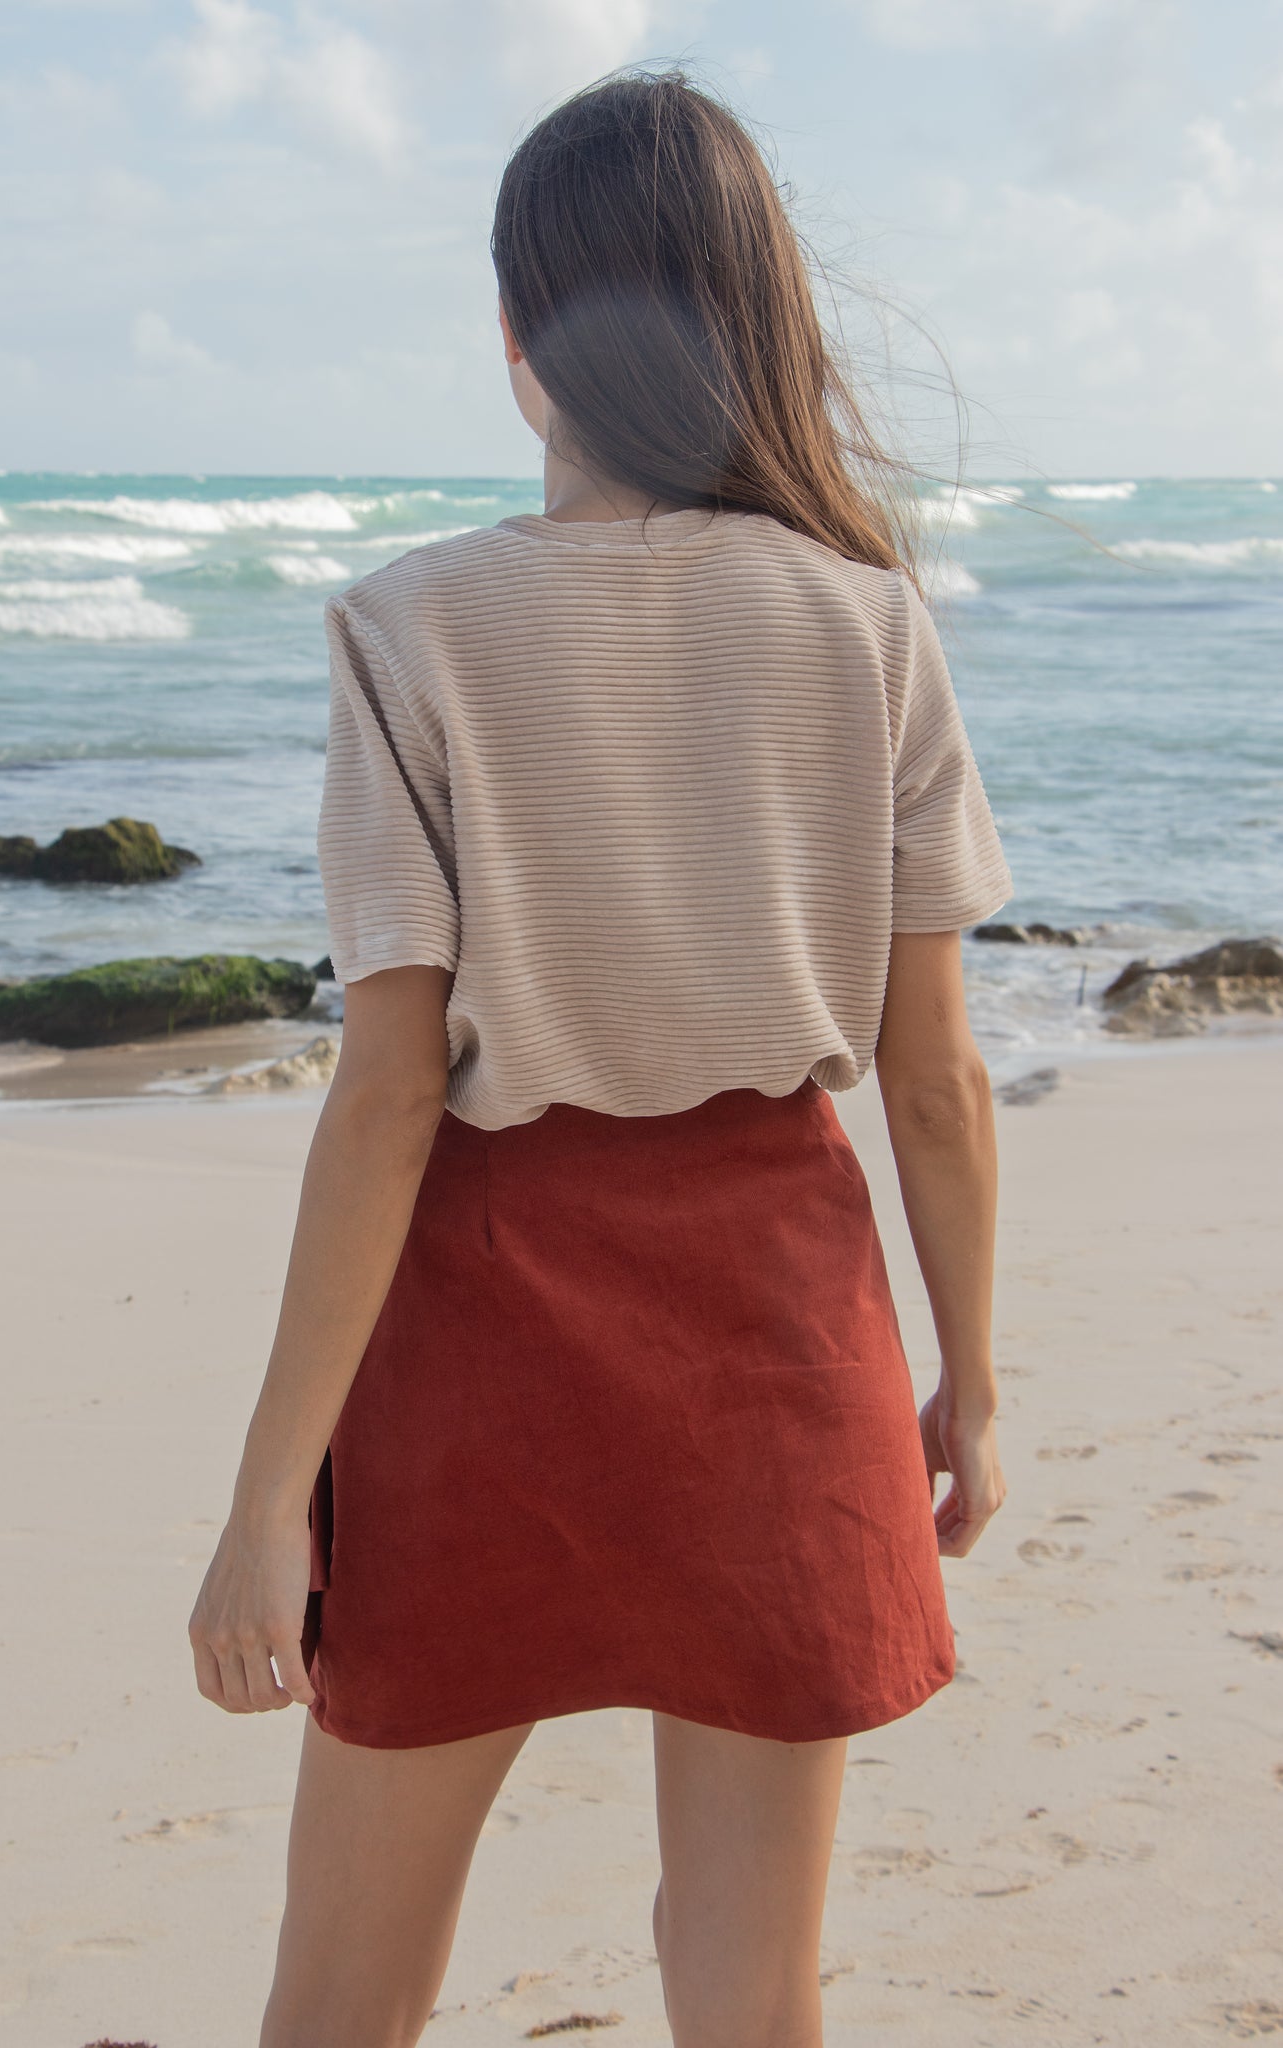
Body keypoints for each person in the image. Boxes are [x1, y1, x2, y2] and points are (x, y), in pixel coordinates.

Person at [189, 65, 1012, 2048]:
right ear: (757, 321)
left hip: (478, 1338)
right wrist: (966, 1380)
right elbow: (930, 1079)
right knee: (745, 1999)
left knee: (342, 1998)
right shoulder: (866, 620)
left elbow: (387, 1098)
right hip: (775, 1331)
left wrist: (263, 1491)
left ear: (513, 336)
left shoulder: (410, 630)